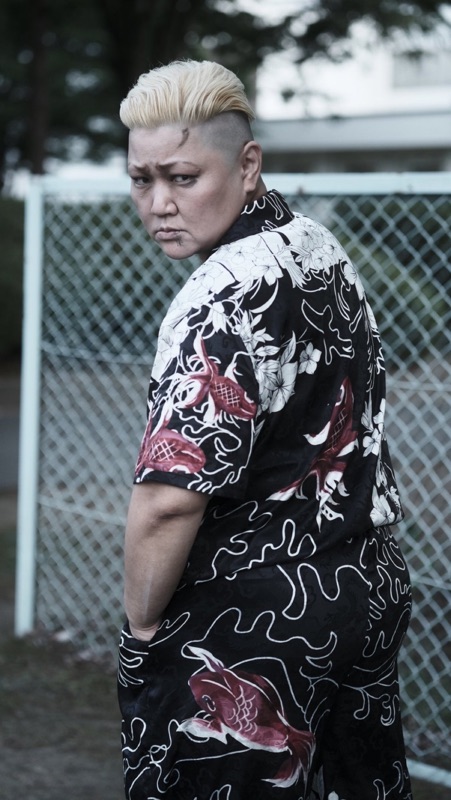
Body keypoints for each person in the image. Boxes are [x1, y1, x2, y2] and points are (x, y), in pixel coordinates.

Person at [117, 59, 412, 800]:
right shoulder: (317, 246)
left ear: (247, 166)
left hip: (253, 619)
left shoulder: (220, 294)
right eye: (141, 179)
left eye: (183, 177)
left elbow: (169, 500)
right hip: (366, 585)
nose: (158, 203)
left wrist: (142, 631)